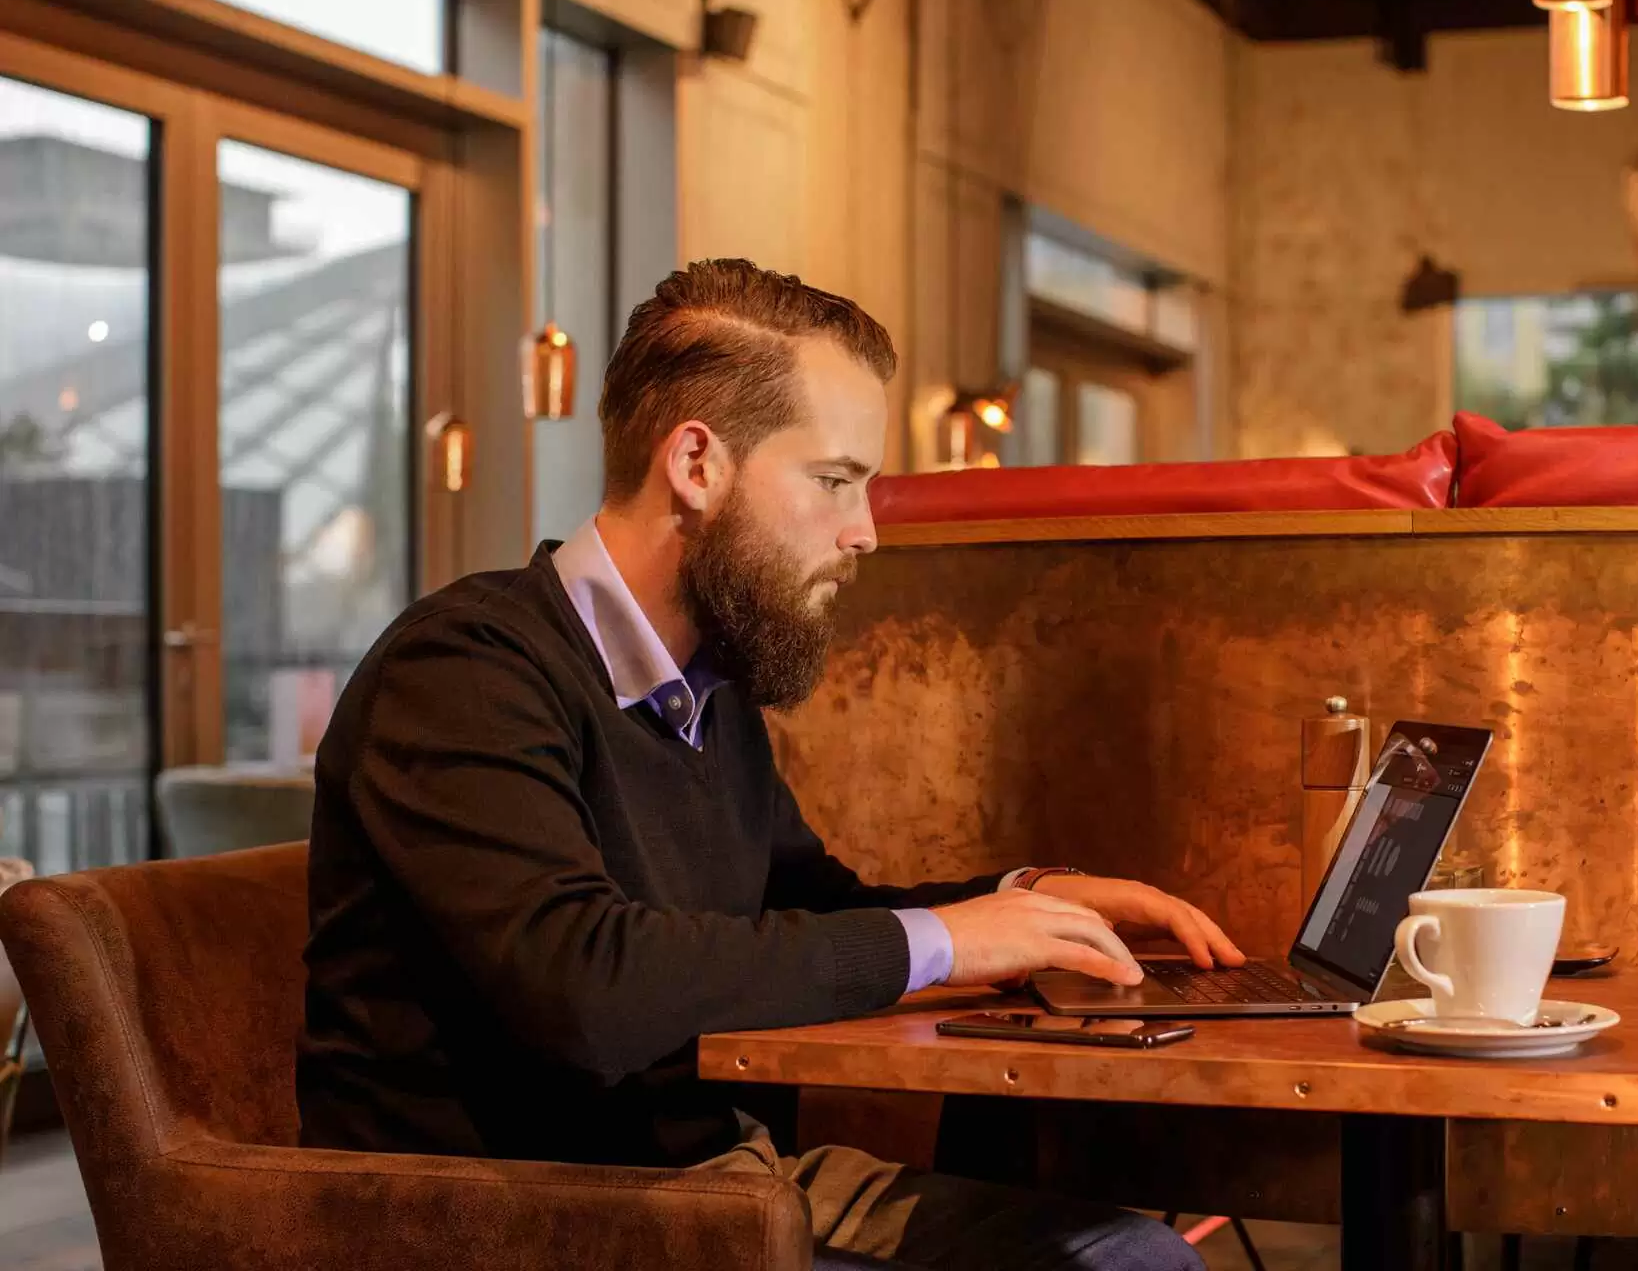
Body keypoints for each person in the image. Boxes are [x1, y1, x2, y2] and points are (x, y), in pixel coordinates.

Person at [298, 259, 1244, 1270]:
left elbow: (817, 909)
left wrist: (1026, 902)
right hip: (529, 1221)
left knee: (1133, 1256)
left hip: (721, 1188)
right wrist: (948, 940)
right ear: (697, 463)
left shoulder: (707, 685)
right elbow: (584, 986)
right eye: (836, 480)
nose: (864, 531)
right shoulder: (465, 671)